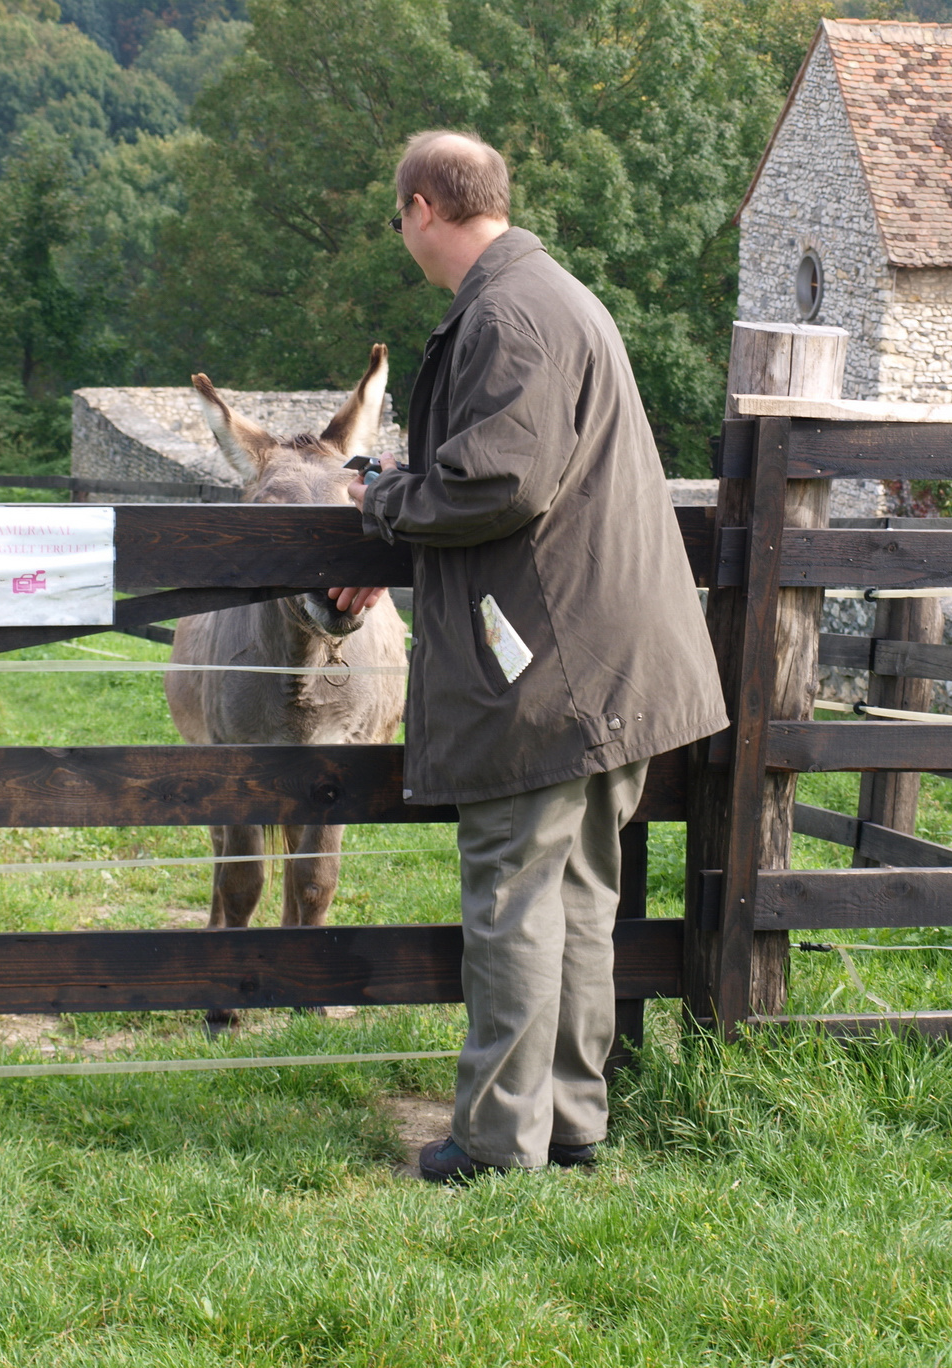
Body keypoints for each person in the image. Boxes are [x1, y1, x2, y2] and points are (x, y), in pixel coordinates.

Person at [329, 131, 727, 1182]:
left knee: (512, 895)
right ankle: (571, 1124)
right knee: (583, 894)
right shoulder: (553, 297)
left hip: (550, 666)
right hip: (607, 655)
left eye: (398, 217)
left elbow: (502, 482)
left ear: (422, 207)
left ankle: (501, 1144)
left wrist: (380, 499)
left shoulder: (507, 315)